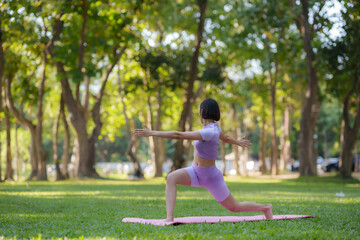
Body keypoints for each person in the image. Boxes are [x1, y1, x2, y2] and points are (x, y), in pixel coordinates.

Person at [134, 98, 273, 222]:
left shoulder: (209, 132)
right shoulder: (214, 129)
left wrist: (152, 133)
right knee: (171, 178)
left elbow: (178, 135)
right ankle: (169, 219)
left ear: (202, 112)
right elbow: (226, 138)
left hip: (210, 177)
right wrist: (238, 142)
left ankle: (265, 208)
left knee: (234, 207)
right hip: (195, 172)